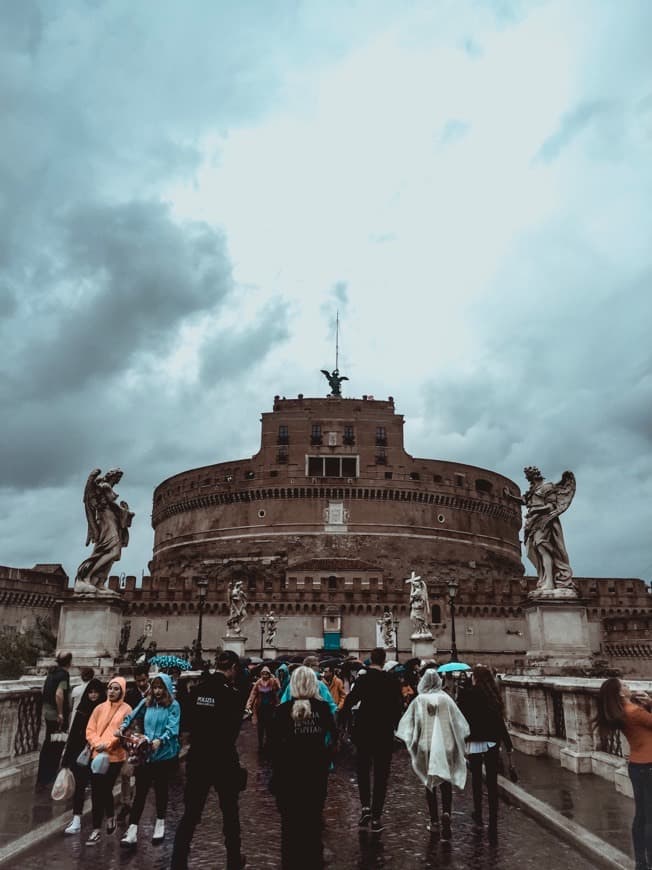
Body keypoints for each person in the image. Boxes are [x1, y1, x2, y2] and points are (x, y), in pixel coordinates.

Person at [171, 650, 247, 870]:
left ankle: (178, 861)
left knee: (191, 814)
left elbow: (186, 726)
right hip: (223, 759)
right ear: (232, 667)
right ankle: (233, 860)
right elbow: (233, 732)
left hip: (198, 759)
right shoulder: (233, 695)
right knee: (230, 814)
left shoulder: (197, 691)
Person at [270, 666, 337, 869]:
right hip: (315, 772)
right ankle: (313, 860)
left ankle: (290, 862)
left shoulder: (282, 711)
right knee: (313, 821)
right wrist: (324, 758)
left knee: (289, 825)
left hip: (288, 774)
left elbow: (273, 745)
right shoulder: (323, 708)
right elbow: (333, 738)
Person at [396, 669, 469, 841]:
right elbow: (459, 722)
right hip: (447, 744)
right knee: (446, 780)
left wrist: (411, 740)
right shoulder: (446, 699)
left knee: (429, 783)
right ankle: (446, 812)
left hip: (426, 745)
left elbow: (411, 723)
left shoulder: (419, 700)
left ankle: (434, 820)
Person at [341, 647, 404, 832]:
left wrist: (344, 720)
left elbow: (350, 700)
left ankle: (365, 807)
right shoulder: (390, 680)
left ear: (371, 659)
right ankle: (376, 816)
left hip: (364, 731)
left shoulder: (363, 679)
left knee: (362, 769)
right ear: (384, 661)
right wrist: (394, 724)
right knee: (381, 774)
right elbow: (398, 706)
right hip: (383, 733)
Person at [595, 677, 652, 870]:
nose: (629, 686)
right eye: (625, 685)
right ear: (620, 693)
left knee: (641, 815)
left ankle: (641, 864)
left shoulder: (623, 713)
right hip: (649, 765)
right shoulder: (635, 712)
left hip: (636, 765)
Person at [120, 673, 180, 847]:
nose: (158, 691)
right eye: (155, 688)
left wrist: (161, 739)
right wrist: (123, 727)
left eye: (161, 688)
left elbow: (173, 727)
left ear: (166, 689)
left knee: (161, 790)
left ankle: (160, 823)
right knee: (140, 792)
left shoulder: (173, 706)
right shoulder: (147, 703)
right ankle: (132, 830)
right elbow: (132, 715)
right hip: (145, 754)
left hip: (163, 754)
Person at [457, 664, 513, 844]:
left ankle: (478, 812)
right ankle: (493, 813)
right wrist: (508, 744)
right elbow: (499, 722)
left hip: (474, 740)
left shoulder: (468, 694)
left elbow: (462, 719)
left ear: (475, 678)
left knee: (476, 778)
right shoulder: (493, 696)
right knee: (491, 778)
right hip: (491, 740)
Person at [85, 676, 131, 846]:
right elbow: (90, 729)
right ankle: (98, 827)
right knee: (97, 791)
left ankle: (102, 823)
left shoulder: (127, 710)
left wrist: (109, 744)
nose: (112, 692)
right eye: (110, 688)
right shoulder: (99, 708)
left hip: (115, 756)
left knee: (104, 788)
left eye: (116, 689)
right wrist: (97, 744)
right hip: (97, 755)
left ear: (122, 691)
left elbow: (124, 732)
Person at [62, 678, 106, 835]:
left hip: (99, 753)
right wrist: (67, 758)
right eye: (91, 692)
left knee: (97, 789)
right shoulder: (82, 708)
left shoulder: (105, 710)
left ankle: (96, 823)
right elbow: (74, 733)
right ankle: (76, 819)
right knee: (80, 787)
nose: (93, 695)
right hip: (81, 754)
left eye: (96, 692)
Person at [37, 651, 72, 786]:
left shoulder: (51, 673)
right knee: (57, 745)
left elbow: (43, 690)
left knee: (48, 743)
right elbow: (59, 694)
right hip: (56, 715)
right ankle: (50, 775)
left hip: (47, 713)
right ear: (69, 662)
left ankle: (42, 775)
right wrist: (61, 713)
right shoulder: (64, 675)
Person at [121, 663, 151, 820]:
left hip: (148, 738)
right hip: (132, 737)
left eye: (144, 680)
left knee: (142, 774)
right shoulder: (131, 694)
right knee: (126, 772)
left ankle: (136, 803)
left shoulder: (156, 693)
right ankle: (126, 802)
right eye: (138, 680)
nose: (141, 683)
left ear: (148, 678)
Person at [245, 666, 281, 751]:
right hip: (260, 708)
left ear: (269, 674)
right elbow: (253, 694)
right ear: (261, 674)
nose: (265, 675)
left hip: (270, 707)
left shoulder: (272, 681)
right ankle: (260, 744)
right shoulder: (258, 682)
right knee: (260, 727)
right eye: (263, 673)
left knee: (269, 726)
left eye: (266, 673)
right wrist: (249, 705)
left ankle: (268, 743)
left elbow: (279, 688)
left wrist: (275, 680)